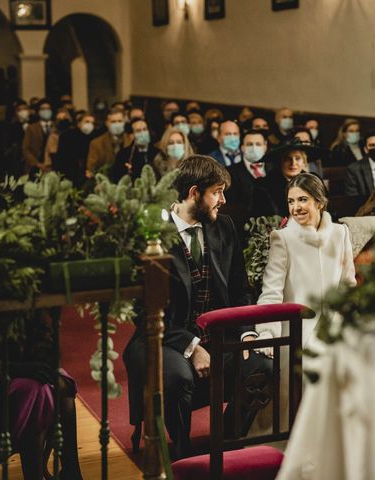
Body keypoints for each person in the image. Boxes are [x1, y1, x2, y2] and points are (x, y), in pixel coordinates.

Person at [123, 155, 271, 459]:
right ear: (194, 192)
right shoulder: (152, 231)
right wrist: (191, 346)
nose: (223, 199)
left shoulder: (224, 226)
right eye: (216, 192)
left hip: (216, 334)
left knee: (262, 366)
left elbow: (240, 289)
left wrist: (247, 334)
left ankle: (227, 441)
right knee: (180, 376)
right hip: (163, 337)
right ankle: (183, 454)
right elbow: (142, 310)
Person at [257, 172, 356, 345]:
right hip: (298, 335)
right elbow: (272, 292)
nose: (296, 208)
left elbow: (347, 285)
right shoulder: (282, 238)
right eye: (291, 201)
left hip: (334, 333)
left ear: (319, 202)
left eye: (303, 199)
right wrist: (267, 333)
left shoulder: (340, 233)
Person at [0, 310, 83, 479]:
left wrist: (43, 356)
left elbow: (46, 352)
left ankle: (71, 471)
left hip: (20, 372)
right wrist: (20, 368)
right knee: (36, 392)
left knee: (60, 383)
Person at [253, 140, 319, 217]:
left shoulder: (313, 183)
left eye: (297, 158)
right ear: (280, 162)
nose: (293, 163)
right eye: (288, 159)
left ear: (304, 162)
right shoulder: (263, 187)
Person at [225, 130, 269, 224]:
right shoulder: (229, 173)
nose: (254, 148)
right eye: (249, 144)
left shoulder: (275, 169)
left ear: (265, 146)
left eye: (258, 144)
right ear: (242, 147)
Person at [54, 112, 97, 188]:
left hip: (89, 176)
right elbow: (61, 159)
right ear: (79, 123)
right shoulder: (67, 136)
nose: (90, 125)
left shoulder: (95, 137)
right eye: (87, 122)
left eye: (92, 123)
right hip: (70, 174)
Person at [86, 110, 131, 175]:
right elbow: (91, 168)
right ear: (107, 123)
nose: (117, 124)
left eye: (120, 121)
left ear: (124, 122)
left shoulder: (132, 140)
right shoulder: (96, 143)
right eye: (113, 122)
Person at [22, 98, 54, 174]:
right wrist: (37, 163)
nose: (46, 111)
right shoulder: (31, 128)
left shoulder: (57, 127)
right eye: (43, 109)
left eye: (48, 109)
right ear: (38, 112)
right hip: (36, 167)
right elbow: (26, 149)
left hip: (54, 166)